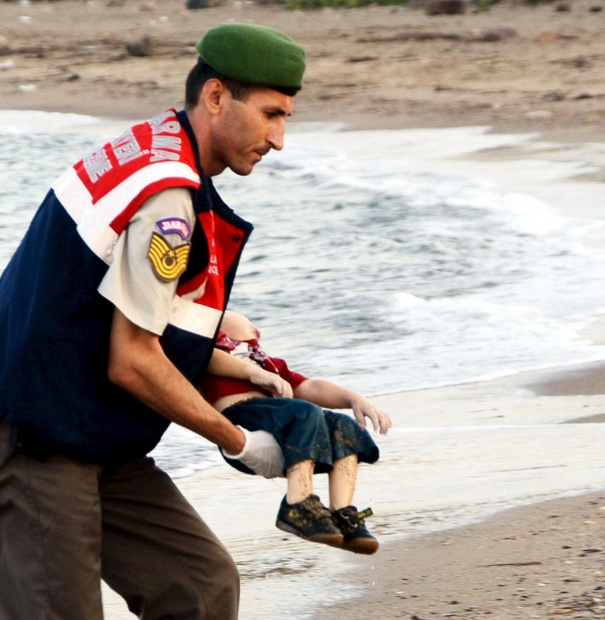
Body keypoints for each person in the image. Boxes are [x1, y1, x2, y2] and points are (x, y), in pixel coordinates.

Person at [0, 24, 306, 620]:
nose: (279, 139)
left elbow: (132, 320)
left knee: (200, 588)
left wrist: (236, 367)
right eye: (270, 114)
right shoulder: (168, 196)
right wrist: (239, 442)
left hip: (88, 430)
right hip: (29, 434)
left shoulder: (158, 144)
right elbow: (133, 359)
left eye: (286, 117)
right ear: (216, 98)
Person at [200, 311, 392, 555]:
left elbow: (311, 386)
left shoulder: (268, 364)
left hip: (283, 427)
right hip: (241, 419)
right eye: (248, 323)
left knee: (344, 426)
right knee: (306, 412)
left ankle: (342, 513)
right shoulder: (212, 353)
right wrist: (252, 372)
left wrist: (353, 398)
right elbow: (205, 355)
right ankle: (297, 502)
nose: (256, 330)